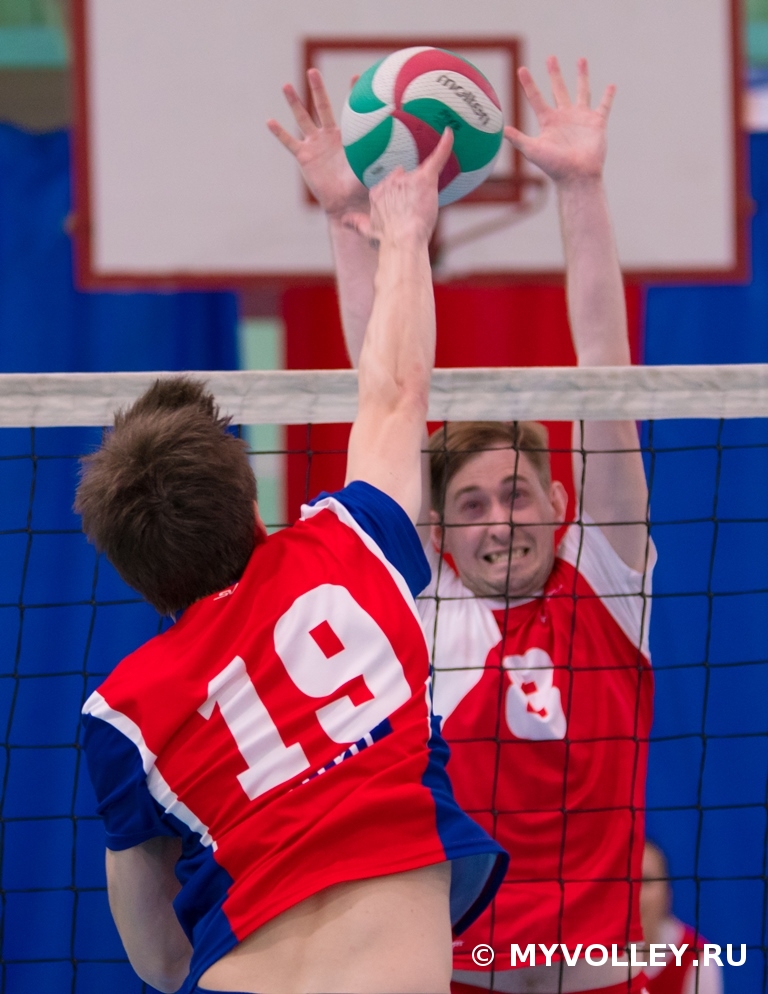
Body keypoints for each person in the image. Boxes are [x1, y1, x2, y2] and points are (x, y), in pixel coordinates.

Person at [76, 132, 507, 994]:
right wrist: (402, 231)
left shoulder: (120, 714)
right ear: (252, 510)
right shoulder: (346, 551)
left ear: (138, 577)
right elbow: (395, 392)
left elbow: (160, 960)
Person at [270, 56, 654, 994]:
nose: (499, 522)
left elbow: (604, 370)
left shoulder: (606, 581)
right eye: (472, 506)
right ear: (438, 531)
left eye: (517, 495)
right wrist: (348, 221)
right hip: (456, 971)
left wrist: (582, 191)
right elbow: (382, 386)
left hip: (599, 972)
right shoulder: (424, 606)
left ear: (560, 505)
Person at [640, 841, 723, 994]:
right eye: (628, 881)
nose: (636, 894)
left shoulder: (696, 958)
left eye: (646, 881)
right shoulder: (596, 952)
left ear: (667, 894)